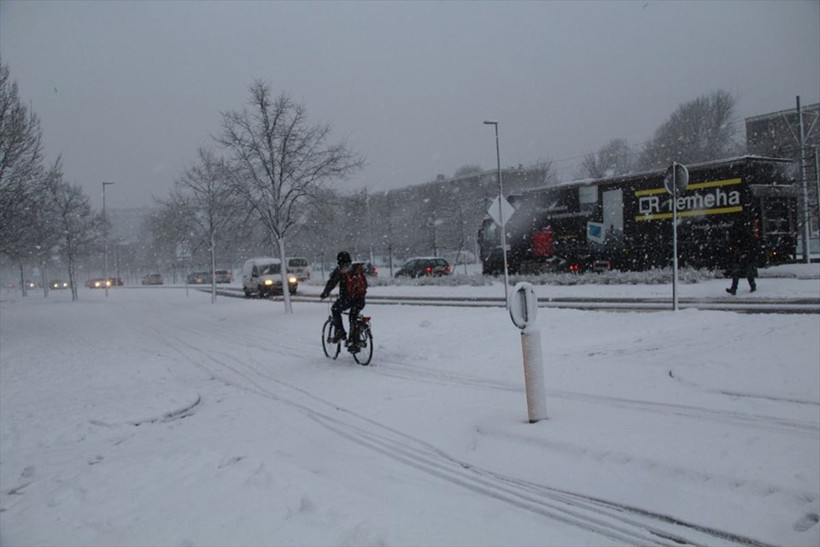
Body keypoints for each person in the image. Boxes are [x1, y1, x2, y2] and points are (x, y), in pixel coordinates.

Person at [320, 251, 368, 343]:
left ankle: (340, 332)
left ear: (338, 261)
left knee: (335, 309)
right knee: (353, 317)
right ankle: (355, 341)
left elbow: (331, 283)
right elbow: (365, 285)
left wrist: (325, 293)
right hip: (360, 300)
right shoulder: (357, 268)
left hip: (347, 300)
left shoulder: (339, 271)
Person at [725, 221, 758, 295]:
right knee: (747, 271)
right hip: (744, 254)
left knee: (737, 272)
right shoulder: (744, 234)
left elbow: (737, 243)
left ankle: (734, 289)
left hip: (742, 254)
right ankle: (752, 286)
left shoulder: (739, 235)